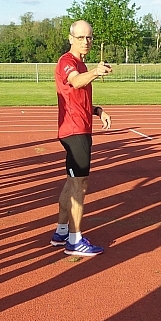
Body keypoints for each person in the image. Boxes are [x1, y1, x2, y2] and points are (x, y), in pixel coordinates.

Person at [49, 20, 112, 256]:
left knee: (71, 181)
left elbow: (79, 98)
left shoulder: (81, 65)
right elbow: (75, 81)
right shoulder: (68, 62)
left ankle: (62, 231)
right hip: (74, 130)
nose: (86, 41)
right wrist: (96, 71)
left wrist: (97, 110)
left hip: (79, 127)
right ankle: (75, 241)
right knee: (79, 185)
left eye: (89, 37)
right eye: (81, 37)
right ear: (71, 38)